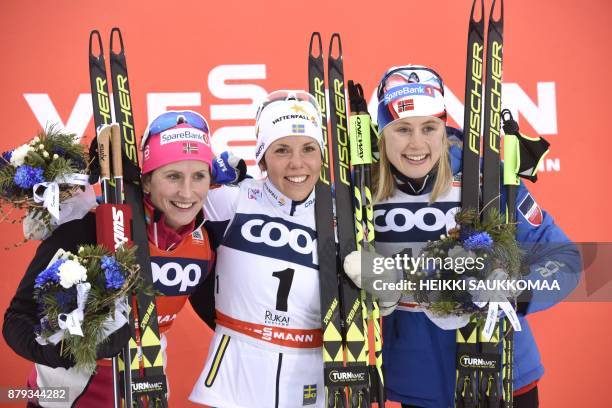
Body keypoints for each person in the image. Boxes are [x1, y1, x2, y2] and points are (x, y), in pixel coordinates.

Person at [343, 65, 581, 408]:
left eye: (429, 127)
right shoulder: (362, 186)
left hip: (499, 370)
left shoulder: (485, 177)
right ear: (381, 131)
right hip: (417, 379)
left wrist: (515, 291)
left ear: (444, 128)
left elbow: (565, 257)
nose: (417, 143)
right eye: (402, 129)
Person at [3, 110, 224, 407]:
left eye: (199, 176)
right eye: (172, 176)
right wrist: (62, 352)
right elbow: (18, 318)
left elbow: (223, 316)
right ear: (146, 182)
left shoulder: (203, 244)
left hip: (145, 394)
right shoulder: (88, 228)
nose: (187, 192)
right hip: (64, 397)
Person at [189, 90, 326, 408]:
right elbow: (166, 206)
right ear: (262, 157)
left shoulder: (340, 214)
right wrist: (202, 173)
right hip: (235, 373)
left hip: (310, 375)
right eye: (281, 150)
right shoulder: (231, 200)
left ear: (321, 155)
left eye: (309, 149)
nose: (297, 163)